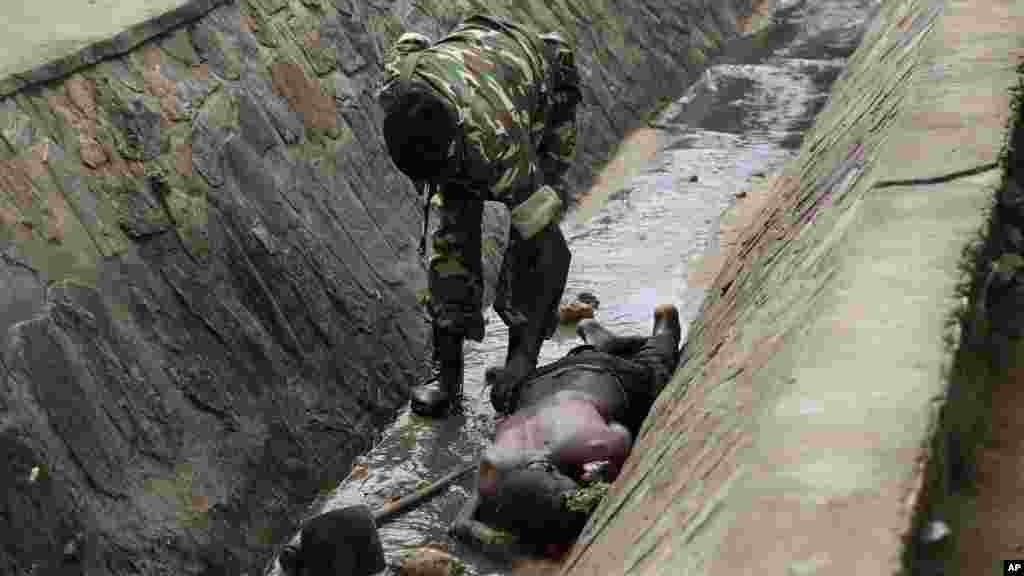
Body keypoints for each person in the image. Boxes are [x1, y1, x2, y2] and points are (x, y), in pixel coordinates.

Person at [377, 14, 583, 417]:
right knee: (451, 233)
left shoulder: (500, 144)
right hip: (475, 64)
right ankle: (448, 374)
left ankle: (518, 362)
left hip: (544, 84)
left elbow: (551, 253)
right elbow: (412, 41)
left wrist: (524, 358)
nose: (433, 183)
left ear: (455, 144)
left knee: (530, 240)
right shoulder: (398, 85)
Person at [451, 304, 684, 552]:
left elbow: (622, 438)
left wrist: (603, 472)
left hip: (607, 373)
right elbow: (459, 526)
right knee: (503, 397)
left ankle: (664, 323)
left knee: (655, 369)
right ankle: (596, 340)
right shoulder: (499, 465)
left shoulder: (587, 443)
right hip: (538, 380)